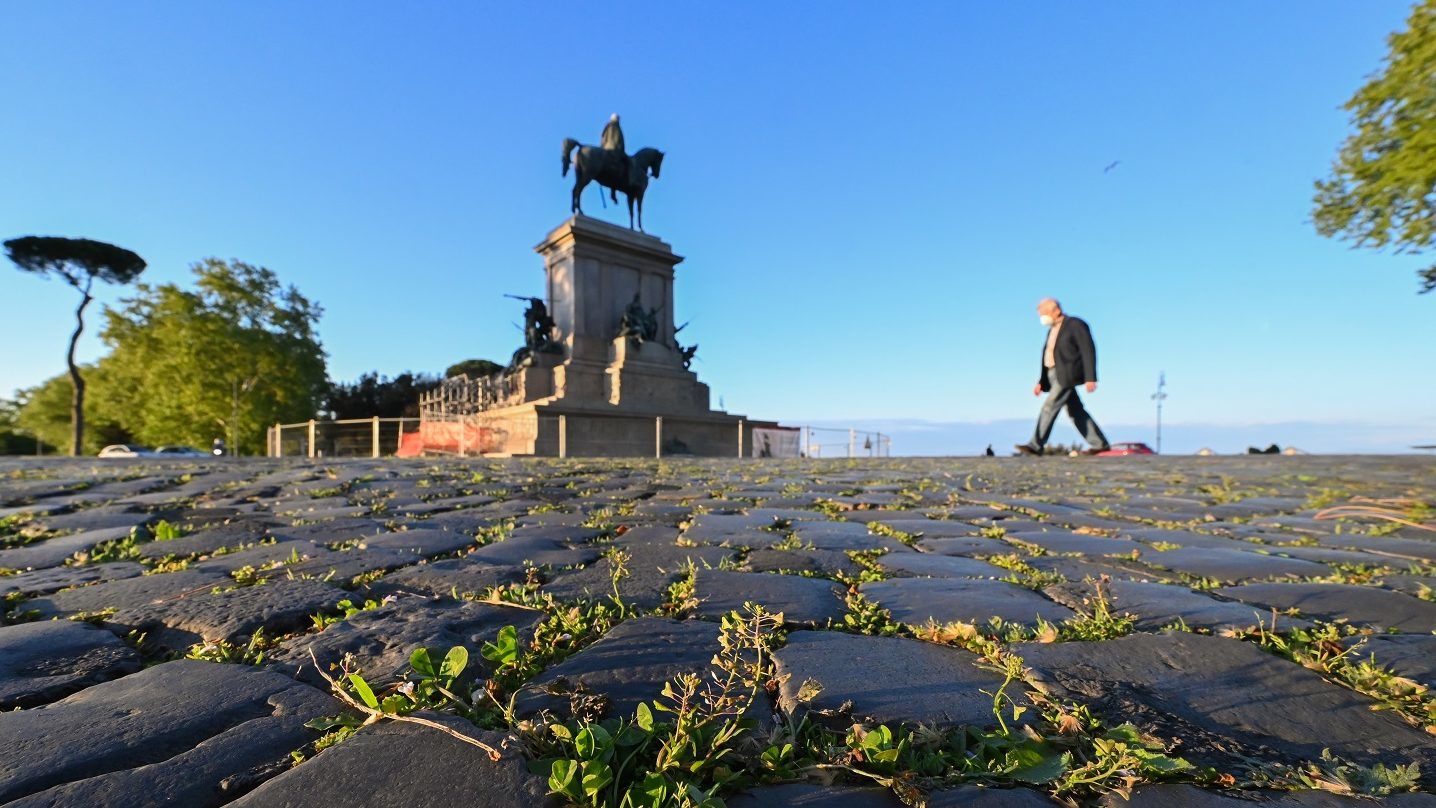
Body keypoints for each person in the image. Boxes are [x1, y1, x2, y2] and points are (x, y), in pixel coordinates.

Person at [1015, 297, 1111, 456]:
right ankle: (1100, 443)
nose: (1042, 318)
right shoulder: (1052, 330)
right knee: (1076, 411)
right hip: (1052, 374)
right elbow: (1048, 357)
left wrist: (1090, 376)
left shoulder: (1075, 324)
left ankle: (1035, 444)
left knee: (1050, 406)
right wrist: (1041, 382)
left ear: (1056, 310)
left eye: (1044, 313)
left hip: (1067, 373)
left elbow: (1088, 349)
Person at [601, 114, 627, 203]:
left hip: (605, 149)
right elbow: (618, 140)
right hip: (614, 150)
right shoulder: (616, 127)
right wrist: (622, 151)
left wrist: (602, 148)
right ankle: (619, 188)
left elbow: (603, 139)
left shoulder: (606, 126)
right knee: (624, 166)